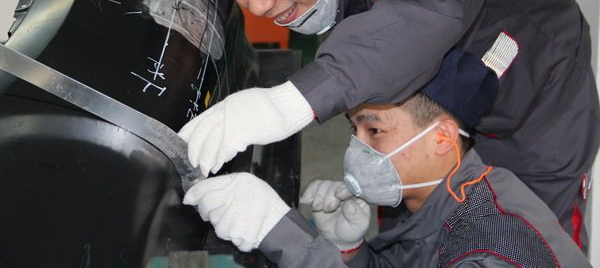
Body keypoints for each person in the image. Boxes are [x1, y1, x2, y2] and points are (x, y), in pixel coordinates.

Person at [178, 0, 600, 250]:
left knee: (529, 243)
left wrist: (287, 102)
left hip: (533, 106)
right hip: (437, 105)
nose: (255, 5)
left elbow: (434, 10)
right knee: (415, 239)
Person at [182, 49, 591, 267]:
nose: (356, 149)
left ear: (442, 138)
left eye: (374, 131)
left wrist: (279, 233)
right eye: (354, 131)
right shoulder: (446, 202)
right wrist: (351, 251)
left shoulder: (496, 246)